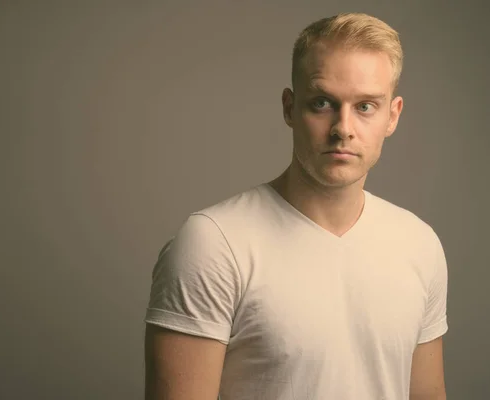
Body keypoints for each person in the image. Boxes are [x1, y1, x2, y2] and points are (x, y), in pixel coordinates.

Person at [144, 12, 448, 400]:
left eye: (366, 106)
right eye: (322, 103)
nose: (343, 128)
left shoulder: (419, 244)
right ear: (289, 107)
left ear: (393, 115)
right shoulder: (214, 244)